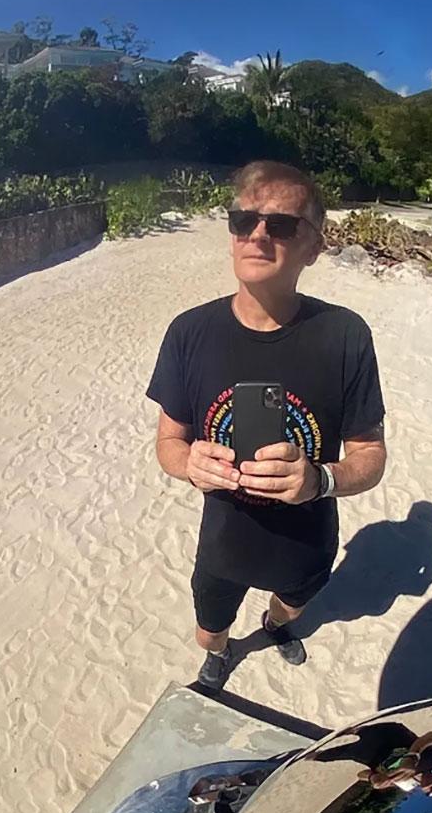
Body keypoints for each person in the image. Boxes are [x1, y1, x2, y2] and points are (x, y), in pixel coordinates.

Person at [147, 160, 389, 690]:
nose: (257, 235)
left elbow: (370, 455)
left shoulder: (345, 335)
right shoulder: (189, 333)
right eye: (243, 220)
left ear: (313, 247)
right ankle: (220, 655)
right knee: (208, 634)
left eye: (280, 224)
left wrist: (319, 480)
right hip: (223, 542)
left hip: (307, 542)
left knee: (291, 607)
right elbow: (168, 441)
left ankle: (274, 627)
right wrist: (188, 463)